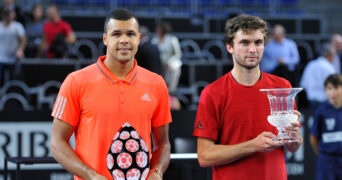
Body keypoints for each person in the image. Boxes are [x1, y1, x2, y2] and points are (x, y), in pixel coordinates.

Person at [50, 8, 172, 180]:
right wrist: (91, 176)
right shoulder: (76, 81)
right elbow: (56, 143)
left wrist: (157, 171)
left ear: (139, 38)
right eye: (116, 34)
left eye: (130, 34)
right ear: (105, 39)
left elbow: (163, 144)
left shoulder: (156, 83)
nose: (124, 40)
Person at [193, 14, 303, 180]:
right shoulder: (212, 93)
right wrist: (252, 145)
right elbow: (205, 156)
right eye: (245, 42)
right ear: (229, 46)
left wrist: (294, 137)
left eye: (258, 42)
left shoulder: (282, 87)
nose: (253, 49)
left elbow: (293, 147)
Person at [310, 74, 342, 180]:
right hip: (327, 161)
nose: (332, 92)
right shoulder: (321, 111)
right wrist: (324, 154)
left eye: (336, 88)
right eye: (329, 88)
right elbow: (313, 138)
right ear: (325, 91)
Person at [300, 43, 336, 109]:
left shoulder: (311, 64)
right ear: (329, 55)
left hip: (311, 99)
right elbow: (334, 86)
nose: (334, 58)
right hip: (326, 101)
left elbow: (303, 84)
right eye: (334, 55)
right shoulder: (329, 67)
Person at [151, 21, 182, 93]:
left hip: (170, 64)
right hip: (158, 64)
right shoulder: (154, 40)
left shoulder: (172, 39)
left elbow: (178, 54)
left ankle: (171, 90)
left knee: (176, 66)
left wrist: (169, 62)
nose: (157, 30)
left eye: (159, 28)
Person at [0, 7, 26, 86]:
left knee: (12, 81)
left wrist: (20, 49)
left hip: (12, 58)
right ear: (4, 16)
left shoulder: (18, 26)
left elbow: (23, 41)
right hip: (0, 57)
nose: (12, 16)